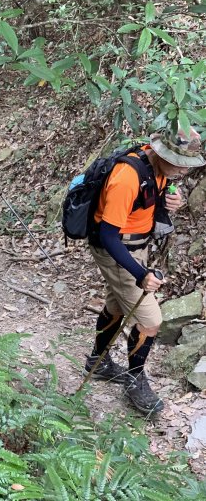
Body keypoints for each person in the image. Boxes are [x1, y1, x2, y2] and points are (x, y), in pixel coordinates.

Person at [83, 126, 205, 414]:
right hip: (118, 250)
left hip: (137, 245)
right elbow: (108, 235)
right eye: (181, 164)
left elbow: (146, 202)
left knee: (115, 305)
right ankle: (134, 379)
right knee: (150, 320)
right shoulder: (127, 177)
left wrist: (168, 202)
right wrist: (140, 275)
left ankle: (97, 363)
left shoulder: (159, 168)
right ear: (163, 153)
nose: (184, 171)